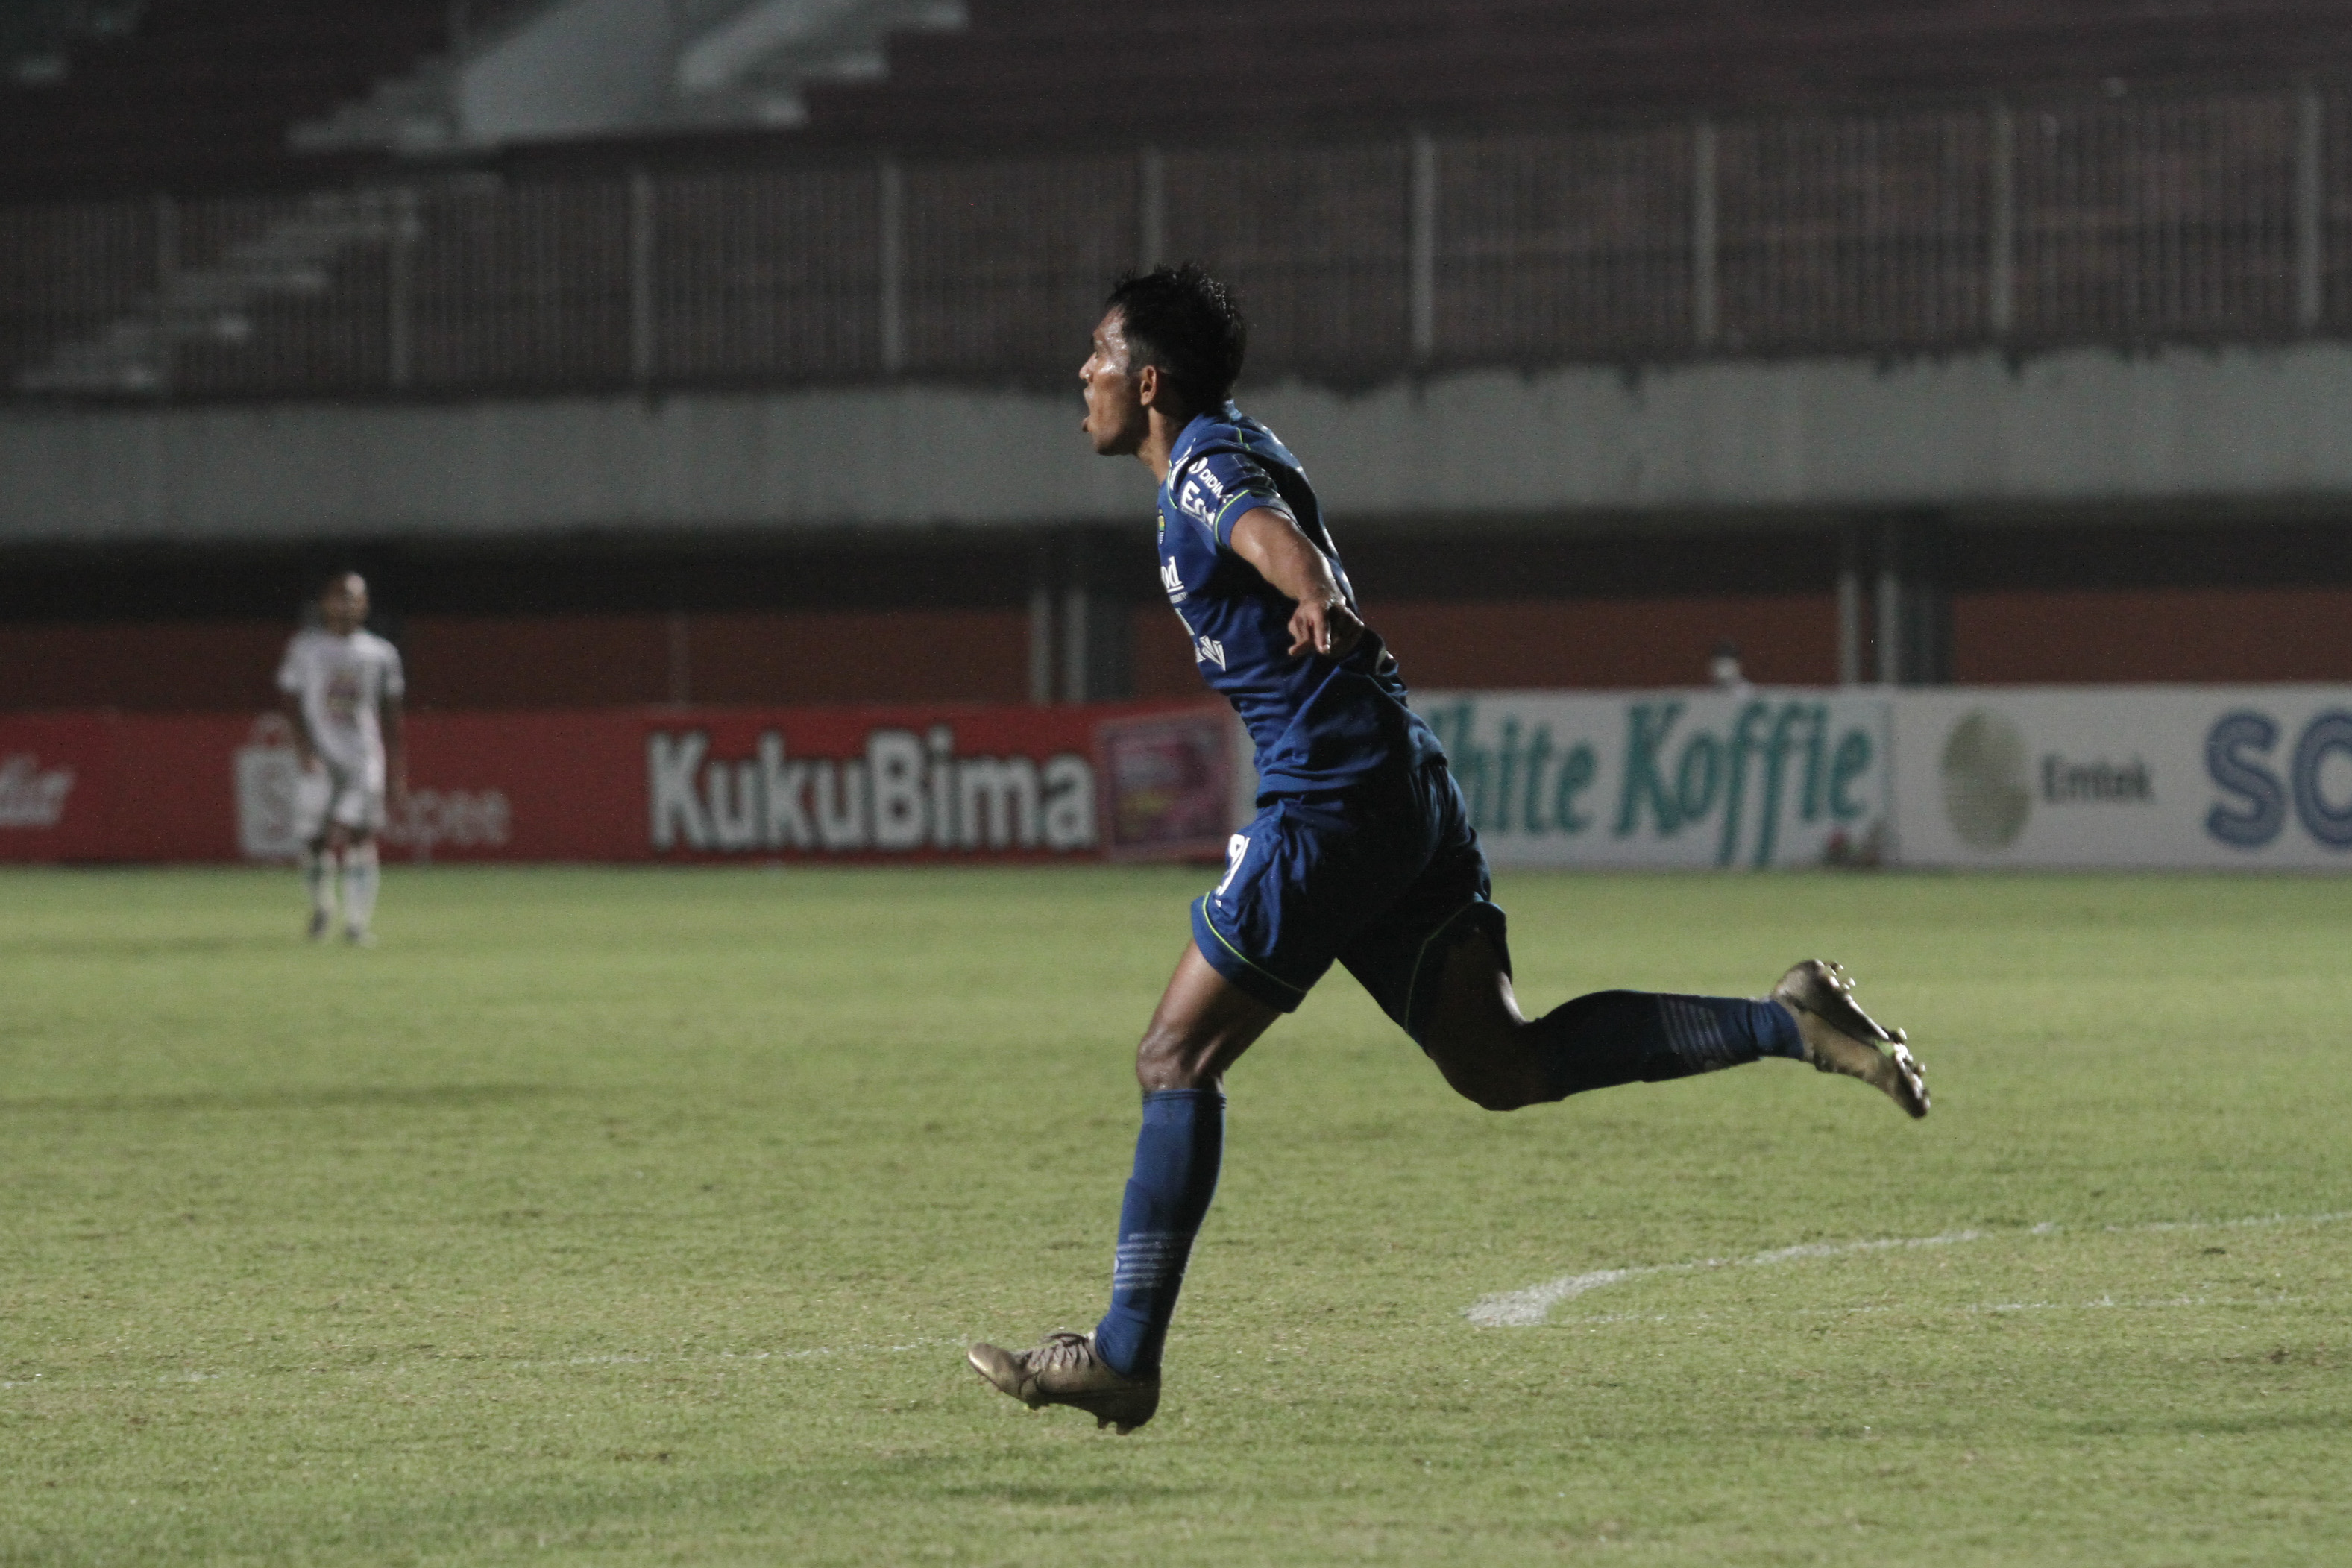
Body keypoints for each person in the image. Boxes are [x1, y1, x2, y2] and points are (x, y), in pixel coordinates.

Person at [966, 265, 1929, 1435]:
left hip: (1330, 800)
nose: (1083, 374)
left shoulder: (1207, 467)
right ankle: (1789, 1019)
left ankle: (1122, 1356)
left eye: (1099, 356)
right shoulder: (1227, 444)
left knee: (1174, 1058)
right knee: (1501, 1063)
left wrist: (1311, 591)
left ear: (1148, 379)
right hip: (1398, 790)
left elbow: (1263, 536)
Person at [277, 570, 406, 945]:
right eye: (339, 596)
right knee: (315, 840)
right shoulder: (307, 648)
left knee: (360, 838)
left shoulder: (380, 653)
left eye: (354, 597)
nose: (346, 604)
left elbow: (393, 715)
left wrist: (397, 770)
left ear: (364, 604)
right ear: (325, 603)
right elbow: (289, 700)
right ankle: (322, 907)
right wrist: (303, 750)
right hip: (320, 756)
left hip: (363, 757)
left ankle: (356, 925)